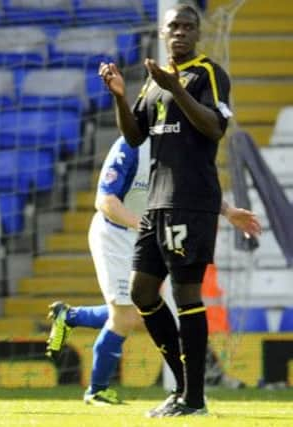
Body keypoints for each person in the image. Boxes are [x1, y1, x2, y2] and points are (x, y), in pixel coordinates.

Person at [97, 3, 239, 417]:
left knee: (186, 294)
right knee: (142, 291)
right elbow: (135, 136)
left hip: (191, 200)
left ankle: (194, 399)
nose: (179, 32)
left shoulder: (208, 74)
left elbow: (214, 127)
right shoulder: (153, 82)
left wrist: (176, 87)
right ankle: (182, 389)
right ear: (162, 32)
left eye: (187, 26)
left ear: (198, 32)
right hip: (156, 205)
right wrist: (122, 98)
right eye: (173, 26)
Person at [45, 136, 260, 406]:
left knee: (137, 310)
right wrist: (145, 226)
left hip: (146, 235)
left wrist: (227, 211)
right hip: (115, 233)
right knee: (124, 317)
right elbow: (106, 202)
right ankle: (96, 390)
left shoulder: (177, 146)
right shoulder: (130, 146)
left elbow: (193, 187)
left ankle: (70, 316)